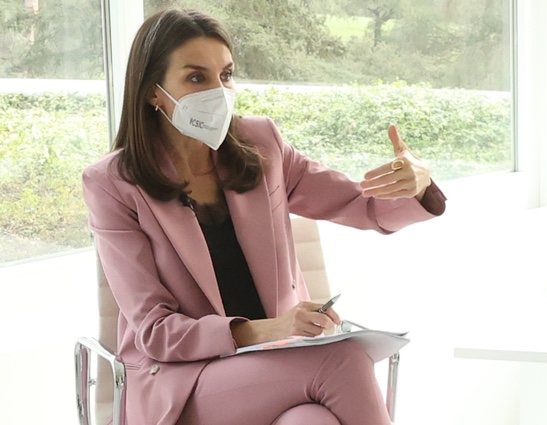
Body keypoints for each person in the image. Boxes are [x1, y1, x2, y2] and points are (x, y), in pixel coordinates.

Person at [82, 8, 446, 425]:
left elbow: (361, 205)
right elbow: (155, 332)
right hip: (184, 384)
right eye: (196, 77)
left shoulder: (261, 143)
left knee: (313, 422)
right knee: (343, 358)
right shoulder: (112, 183)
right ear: (153, 91)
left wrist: (417, 185)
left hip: (279, 368)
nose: (217, 91)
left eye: (226, 75)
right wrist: (268, 329)